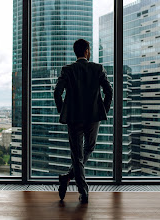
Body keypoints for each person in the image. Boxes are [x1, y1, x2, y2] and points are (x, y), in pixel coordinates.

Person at [54, 39, 113, 203]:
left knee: (77, 155)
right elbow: (109, 91)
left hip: (73, 118)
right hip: (93, 117)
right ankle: (80, 189)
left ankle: (75, 184)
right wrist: (103, 110)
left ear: (76, 52)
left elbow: (57, 93)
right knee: (88, 149)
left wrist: (63, 110)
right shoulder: (97, 68)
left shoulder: (67, 70)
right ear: (87, 50)